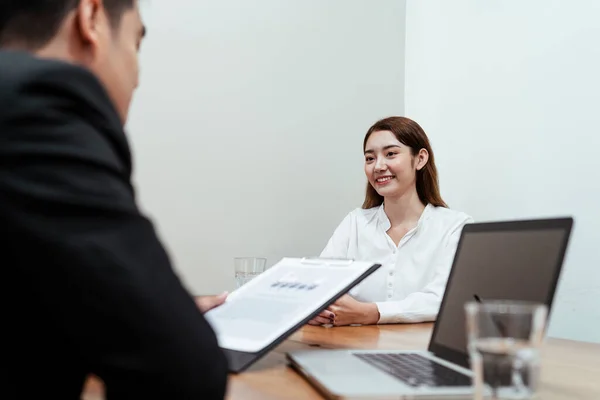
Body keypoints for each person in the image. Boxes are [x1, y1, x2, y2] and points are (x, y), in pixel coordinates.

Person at [0, 0, 229, 398]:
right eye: (135, 45)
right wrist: (159, 324)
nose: (137, 77)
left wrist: (140, 307)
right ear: (91, 18)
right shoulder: (36, 103)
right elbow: (182, 373)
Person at [309, 116, 473, 327]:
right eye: (370, 158)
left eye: (391, 154)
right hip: (352, 345)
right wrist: (316, 309)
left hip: (419, 351)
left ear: (420, 159)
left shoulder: (454, 227)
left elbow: (444, 298)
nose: (378, 166)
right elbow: (318, 284)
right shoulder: (355, 223)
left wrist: (372, 313)